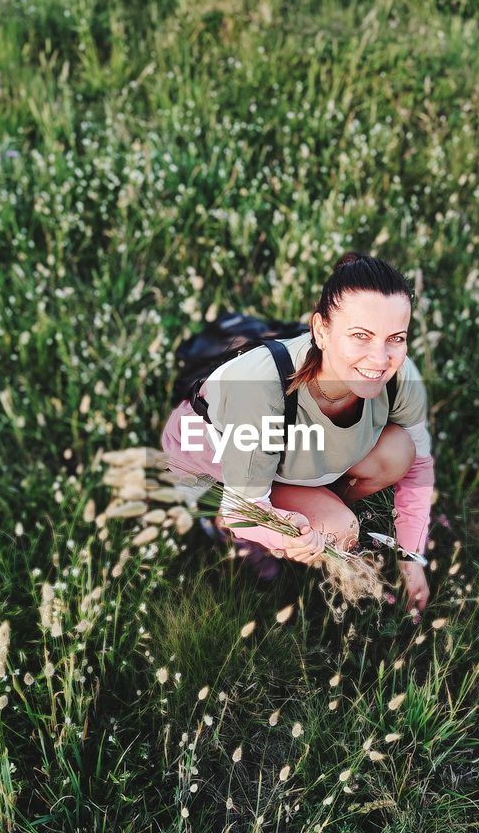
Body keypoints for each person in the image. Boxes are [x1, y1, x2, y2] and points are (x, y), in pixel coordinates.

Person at [159, 252, 436, 614]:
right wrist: (282, 533)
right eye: (360, 336)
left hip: (286, 449)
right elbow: (245, 507)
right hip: (213, 464)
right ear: (321, 329)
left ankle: (304, 504)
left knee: (399, 450)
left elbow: (417, 468)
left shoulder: (401, 376)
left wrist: (411, 558)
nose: (380, 359)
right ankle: (223, 525)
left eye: (395, 338)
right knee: (337, 530)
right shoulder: (261, 386)